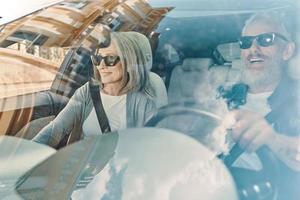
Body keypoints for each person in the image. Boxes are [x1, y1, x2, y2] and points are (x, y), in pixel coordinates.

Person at [221, 12, 300, 199]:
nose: (253, 49)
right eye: (246, 42)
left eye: (265, 39)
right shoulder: (224, 95)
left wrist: (271, 138)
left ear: (287, 51)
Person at [33, 31, 156, 148]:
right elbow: (56, 129)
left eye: (110, 58)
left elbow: (147, 150)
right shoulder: (87, 91)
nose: (100, 66)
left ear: (128, 62)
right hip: (82, 166)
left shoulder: (143, 101)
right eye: (97, 58)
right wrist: (28, 154)